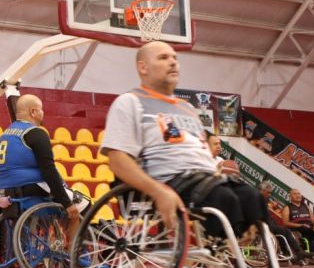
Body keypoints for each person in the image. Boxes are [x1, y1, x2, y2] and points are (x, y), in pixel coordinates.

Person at [100, 41, 262, 238]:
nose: (173, 62)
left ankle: (248, 251)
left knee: (252, 196)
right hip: (170, 179)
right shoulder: (129, 102)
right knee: (223, 197)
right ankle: (227, 248)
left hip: (205, 179)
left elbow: (200, 152)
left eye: (175, 58)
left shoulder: (188, 108)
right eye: (163, 58)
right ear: (143, 67)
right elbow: (117, 160)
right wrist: (158, 191)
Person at [0, 93, 83, 236]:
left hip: (8, 189)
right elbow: (49, 170)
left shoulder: (5, 134)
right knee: (81, 205)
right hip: (31, 187)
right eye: (41, 109)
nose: (43, 113)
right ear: (33, 112)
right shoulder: (36, 133)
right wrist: (67, 203)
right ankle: (72, 252)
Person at [258, 183, 308, 266]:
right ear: (262, 191)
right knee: (286, 231)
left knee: (282, 232)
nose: (269, 195)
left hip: (268, 223)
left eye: (270, 193)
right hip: (262, 224)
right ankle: (298, 252)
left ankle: (287, 253)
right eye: (268, 192)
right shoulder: (256, 199)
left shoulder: (264, 199)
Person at [280, 188, 314, 264]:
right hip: (297, 228)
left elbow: (313, 219)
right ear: (290, 197)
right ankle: (312, 254)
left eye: (299, 194)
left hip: (309, 226)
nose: (298, 195)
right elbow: (286, 223)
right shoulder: (287, 207)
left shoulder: (306, 206)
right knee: (307, 229)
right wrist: (300, 225)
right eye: (295, 194)